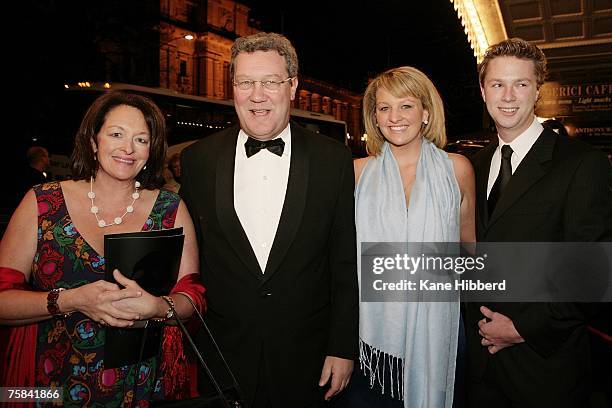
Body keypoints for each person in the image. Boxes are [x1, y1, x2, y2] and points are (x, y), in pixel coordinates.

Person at [180, 32, 358, 407]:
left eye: (270, 82)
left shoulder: (333, 161)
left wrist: (342, 348)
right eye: (245, 82)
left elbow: (344, 263)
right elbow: (189, 261)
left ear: (292, 86)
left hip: (307, 358)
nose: (256, 95)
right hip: (220, 356)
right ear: (232, 87)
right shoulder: (198, 160)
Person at [0, 91, 205, 405]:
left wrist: (158, 308)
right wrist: (71, 300)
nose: (128, 148)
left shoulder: (169, 208)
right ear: (94, 142)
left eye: (141, 139)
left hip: (138, 387)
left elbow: (192, 296)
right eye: (117, 134)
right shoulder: (43, 202)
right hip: (49, 386)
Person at [465, 38, 611, 407]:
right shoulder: (473, 166)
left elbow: (591, 275)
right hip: (478, 370)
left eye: (521, 84)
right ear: (484, 91)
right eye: (498, 84)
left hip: (545, 371)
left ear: (538, 91)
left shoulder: (580, 163)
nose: (508, 95)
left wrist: (519, 329)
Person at [339, 66, 475, 408]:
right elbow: (338, 261)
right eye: (384, 108)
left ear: (426, 113)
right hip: (369, 340)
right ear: (374, 117)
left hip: (440, 330)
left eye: (406, 105)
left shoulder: (457, 169)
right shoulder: (355, 173)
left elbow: (469, 251)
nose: (394, 117)